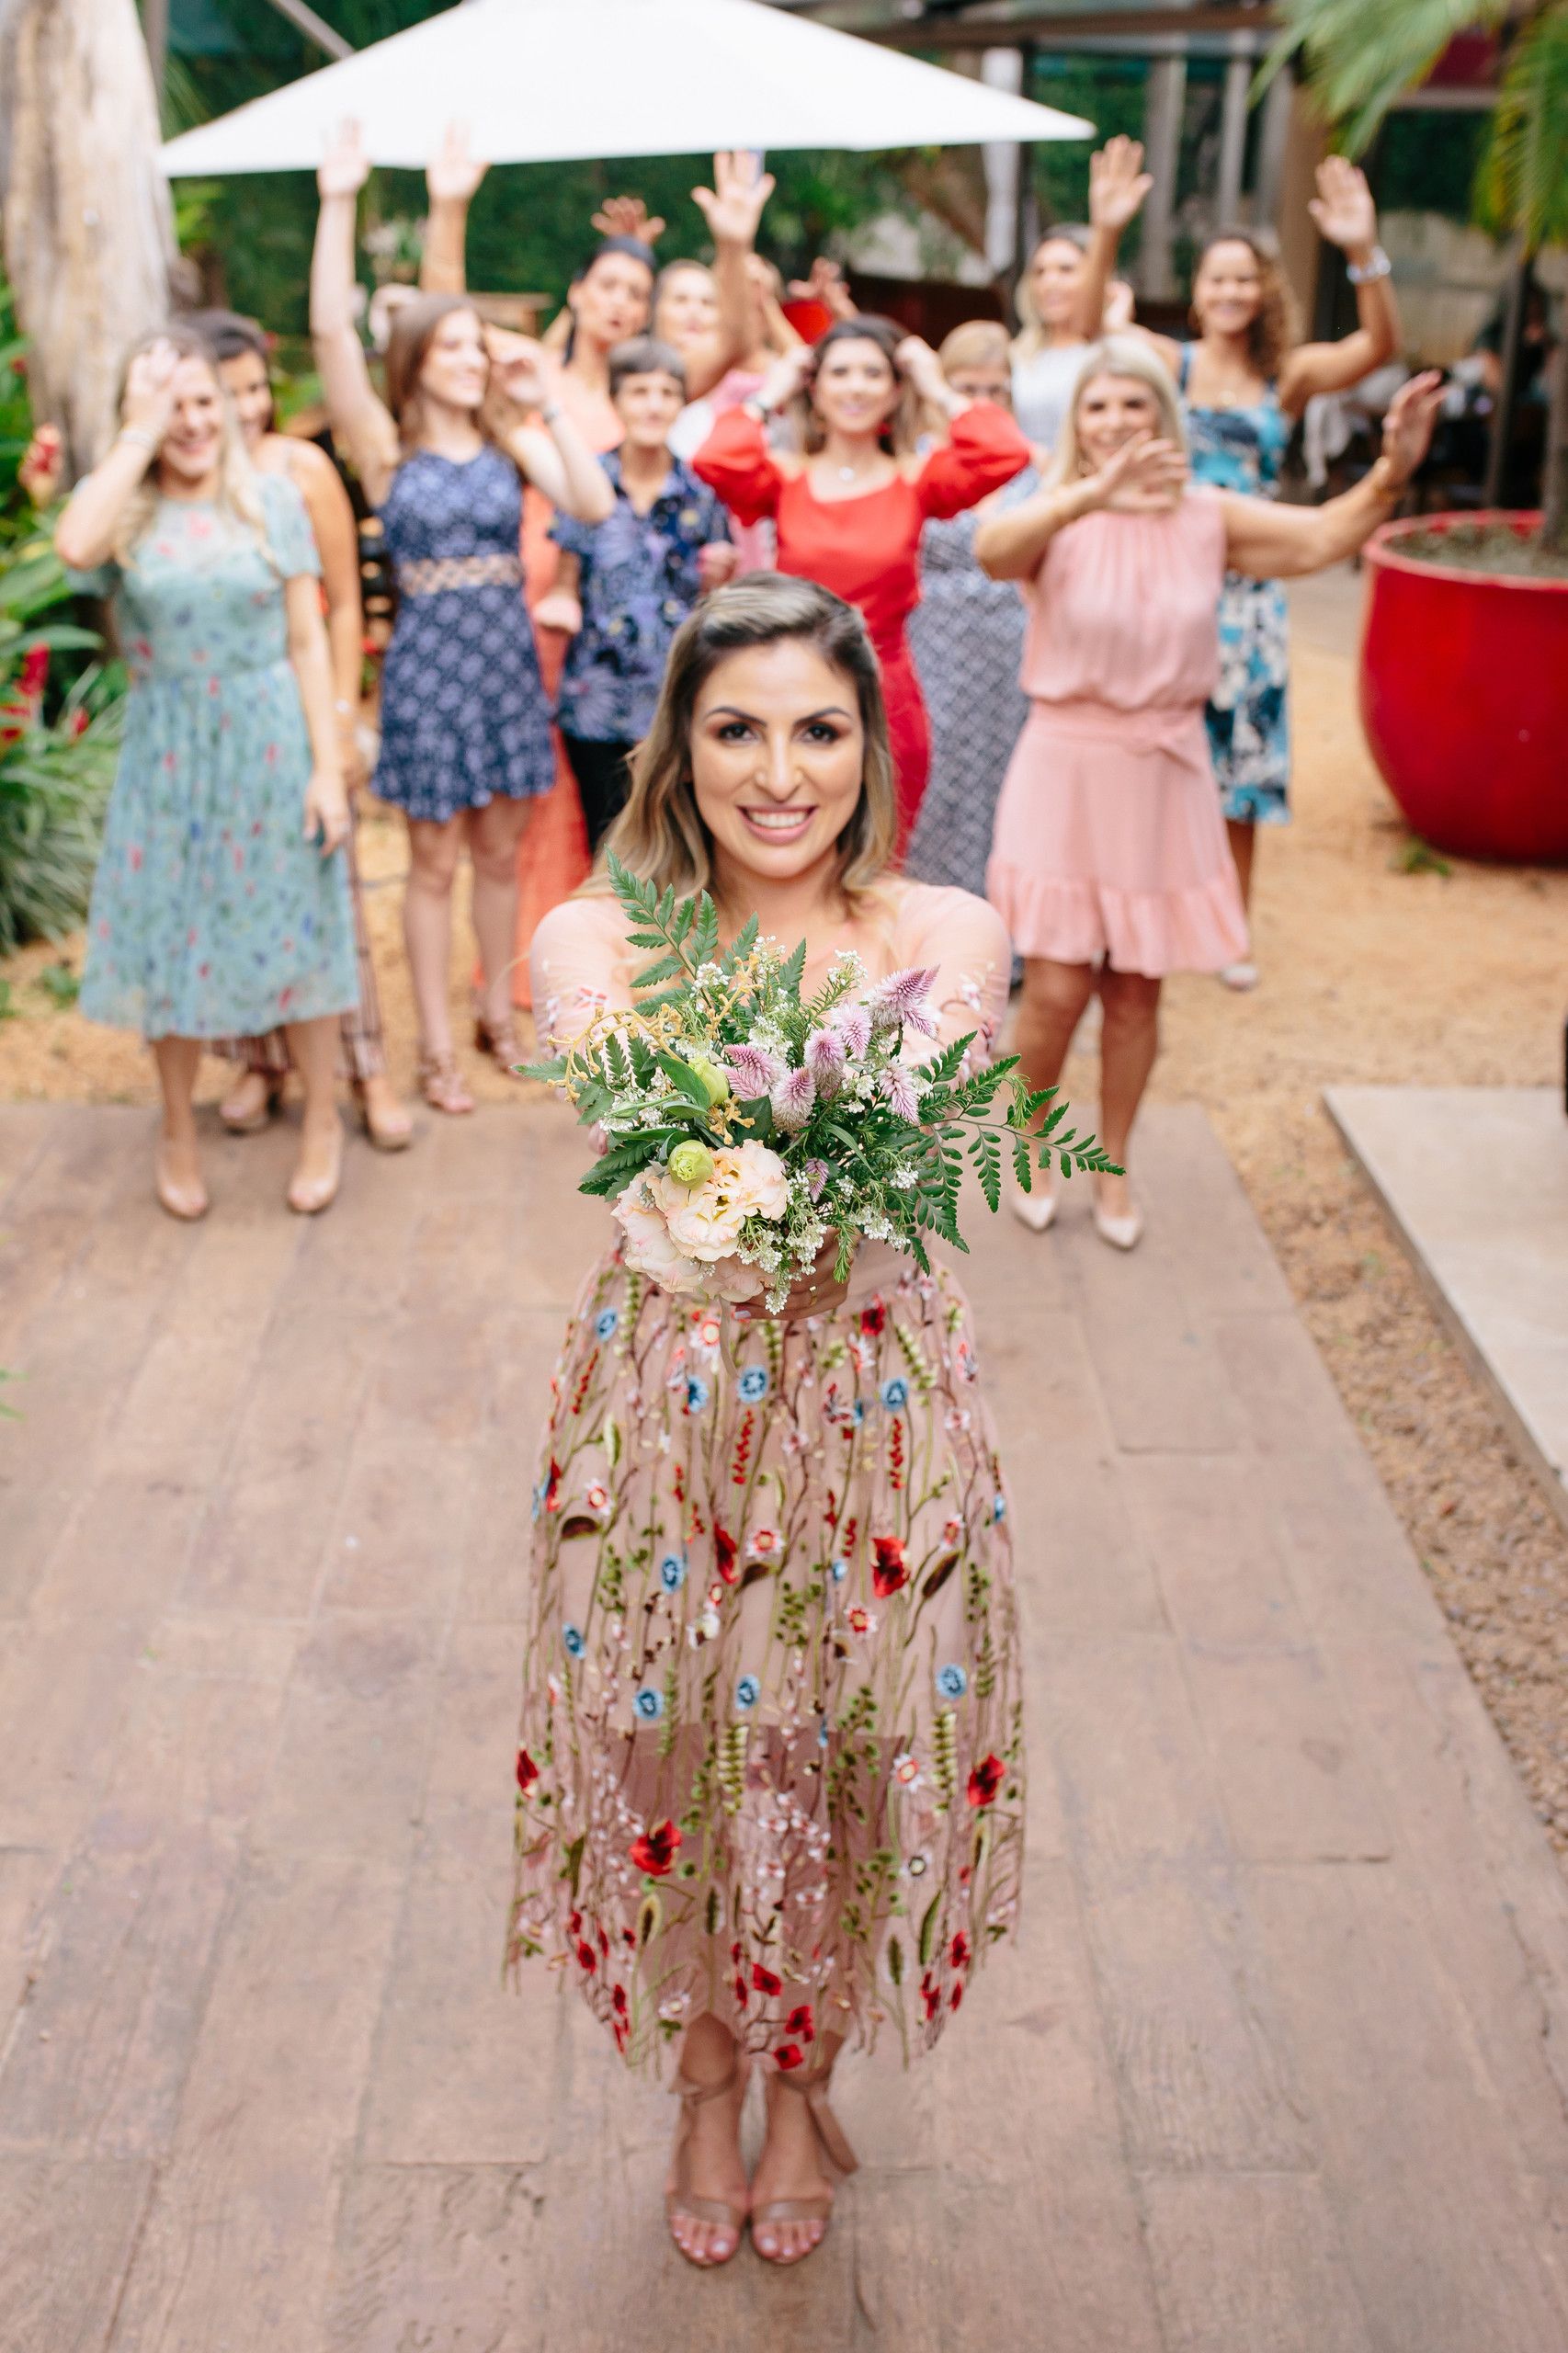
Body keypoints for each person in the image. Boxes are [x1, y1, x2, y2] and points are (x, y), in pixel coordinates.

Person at [508, 574, 1023, 2272]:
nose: (779, 771)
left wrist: (761, 1098)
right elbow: (642, 1112)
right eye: (736, 729)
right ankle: (702, 2081)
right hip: (669, 1405)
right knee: (674, 1745)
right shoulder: (590, 936)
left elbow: (906, 1100)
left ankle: (804, 2084)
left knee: (848, 1746)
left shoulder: (944, 926)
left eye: (819, 728)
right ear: (679, 749)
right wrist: (781, 1095)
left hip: (875, 1400)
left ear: (873, 749)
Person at [975, 339, 1441, 1249]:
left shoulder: (1204, 515)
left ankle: (1110, 1165)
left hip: (1163, 769)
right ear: (1076, 421)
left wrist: (1390, 469)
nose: (1113, 422)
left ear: (1163, 419)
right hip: (1065, 765)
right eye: (1096, 408)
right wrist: (1085, 493)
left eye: (1131, 407)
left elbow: (1318, 537)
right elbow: (993, 552)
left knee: (1135, 992)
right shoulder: (1050, 511)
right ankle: (1031, 1142)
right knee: (1054, 990)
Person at [310, 121, 614, 1115]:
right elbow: (324, 336)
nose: (469, 357)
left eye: (473, 345)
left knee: (495, 855)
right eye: (451, 345)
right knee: (432, 861)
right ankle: (435, 1045)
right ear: (413, 359)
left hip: (503, 662)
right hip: (427, 670)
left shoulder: (508, 439)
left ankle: (498, 1013)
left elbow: (593, 506)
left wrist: (547, 404)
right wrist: (339, 199)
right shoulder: (381, 445)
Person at [1083, 137, 1404, 985]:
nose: (1229, 290)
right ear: (1196, 293)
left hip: (1252, 591)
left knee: (1244, 767)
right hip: (1166, 585)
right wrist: (1107, 232)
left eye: (1243, 277)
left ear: (1264, 291)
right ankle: (1139, 916)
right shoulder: (1169, 364)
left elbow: (1378, 347)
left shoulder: (1285, 377)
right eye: (1215, 277)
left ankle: (1232, 931)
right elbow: (1088, 333)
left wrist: (1362, 249)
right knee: (1152, 752)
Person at [56, 331, 359, 1220]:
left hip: (271, 743)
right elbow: (76, 545)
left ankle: (321, 1123)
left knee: (300, 933)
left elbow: (307, 638)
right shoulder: (125, 506)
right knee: (172, 940)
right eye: (168, 403)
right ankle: (176, 1130)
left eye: (200, 402)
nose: (189, 420)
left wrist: (328, 766)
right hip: (169, 752)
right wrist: (135, 434)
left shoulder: (270, 497)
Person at [186, 310, 413, 1153]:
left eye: (254, 389)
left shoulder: (300, 466)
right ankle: (261, 1060)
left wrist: (347, 720)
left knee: (330, 899)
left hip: (304, 705)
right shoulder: (186, 476)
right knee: (234, 900)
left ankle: (368, 1071)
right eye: (225, 391)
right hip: (218, 721)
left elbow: (345, 602)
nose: (245, 408)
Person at [692, 316, 1031, 856]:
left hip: (886, 692)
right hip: (791, 691)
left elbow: (1005, 453)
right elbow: (714, 460)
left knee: (877, 862)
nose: (855, 386)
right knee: (790, 851)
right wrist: (771, 392)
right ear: (815, 388)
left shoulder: (917, 478)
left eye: (873, 373)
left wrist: (937, 387)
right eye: (841, 372)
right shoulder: (784, 478)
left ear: (895, 391)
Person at [532, 335, 735, 851]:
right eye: (639, 391)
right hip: (596, 700)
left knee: (677, 844)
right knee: (607, 848)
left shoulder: (701, 494)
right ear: (616, 400)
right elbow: (565, 577)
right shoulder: (587, 482)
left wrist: (720, 578)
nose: (653, 404)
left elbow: (716, 605)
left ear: (682, 403)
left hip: (674, 701)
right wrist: (560, 603)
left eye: (667, 392)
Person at [905, 321, 1040, 899]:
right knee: (935, 784)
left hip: (1014, 649)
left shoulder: (1036, 465)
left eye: (995, 391)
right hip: (930, 647)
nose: (981, 403)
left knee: (1010, 786)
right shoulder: (915, 460)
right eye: (967, 388)